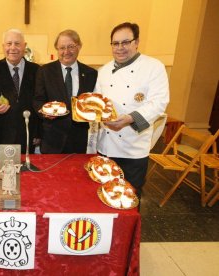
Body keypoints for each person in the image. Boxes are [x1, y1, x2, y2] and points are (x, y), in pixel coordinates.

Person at [94, 22, 169, 197]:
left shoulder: (153, 67)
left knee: (129, 195)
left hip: (132, 148)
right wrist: (99, 115)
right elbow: (98, 101)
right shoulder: (104, 70)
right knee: (104, 194)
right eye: (115, 43)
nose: (120, 48)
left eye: (125, 42)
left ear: (136, 42)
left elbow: (159, 102)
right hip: (105, 146)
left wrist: (130, 118)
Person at [33, 29, 97, 153]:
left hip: (79, 139)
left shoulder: (91, 74)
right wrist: (44, 112)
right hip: (52, 139)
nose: (66, 52)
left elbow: (93, 102)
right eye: (62, 47)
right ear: (57, 49)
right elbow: (38, 100)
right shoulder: (44, 71)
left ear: (79, 47)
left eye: (71, 46)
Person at [0, 29, 40, 154]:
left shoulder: (37, 71)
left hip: (29, 135)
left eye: (17, 43)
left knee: (28, 171)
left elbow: (41, 101)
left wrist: (39, 132)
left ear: (24, 46)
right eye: (9, 44)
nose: (13, 48)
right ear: (3, 47)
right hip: (1, 134)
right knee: (4, 172)